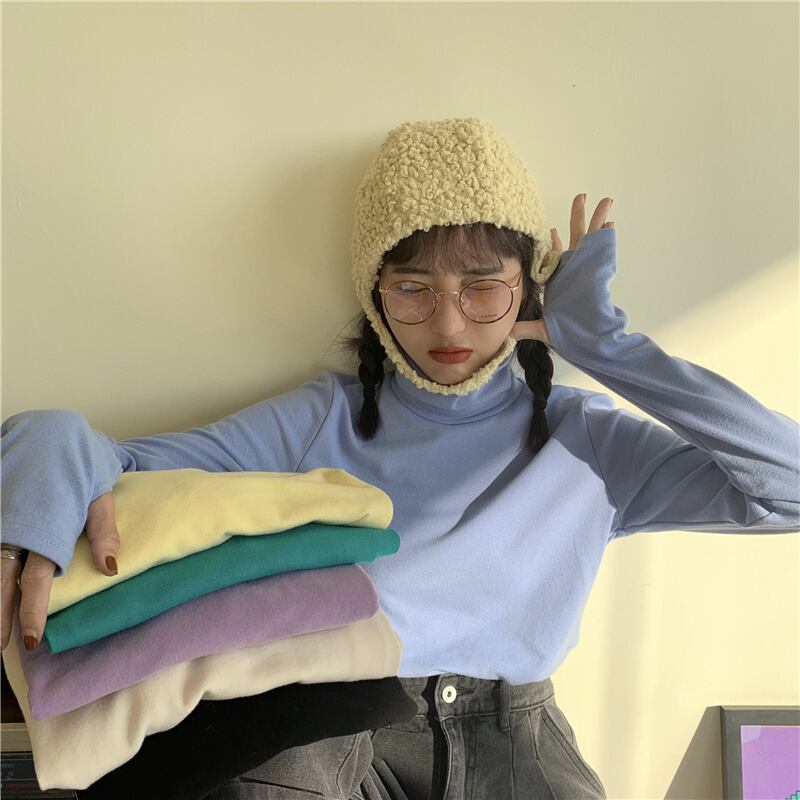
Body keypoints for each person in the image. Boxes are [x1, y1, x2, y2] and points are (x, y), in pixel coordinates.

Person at [2, 117, 798, 800]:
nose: (447, 323)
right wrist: (40, 454)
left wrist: (612, 350)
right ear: (374, 290)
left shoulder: (586, 438)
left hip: (515, 734)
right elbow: (114, 461)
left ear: (529, 287)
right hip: (328, 718)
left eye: (483, 286)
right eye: (412, 287)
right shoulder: (321, 419)